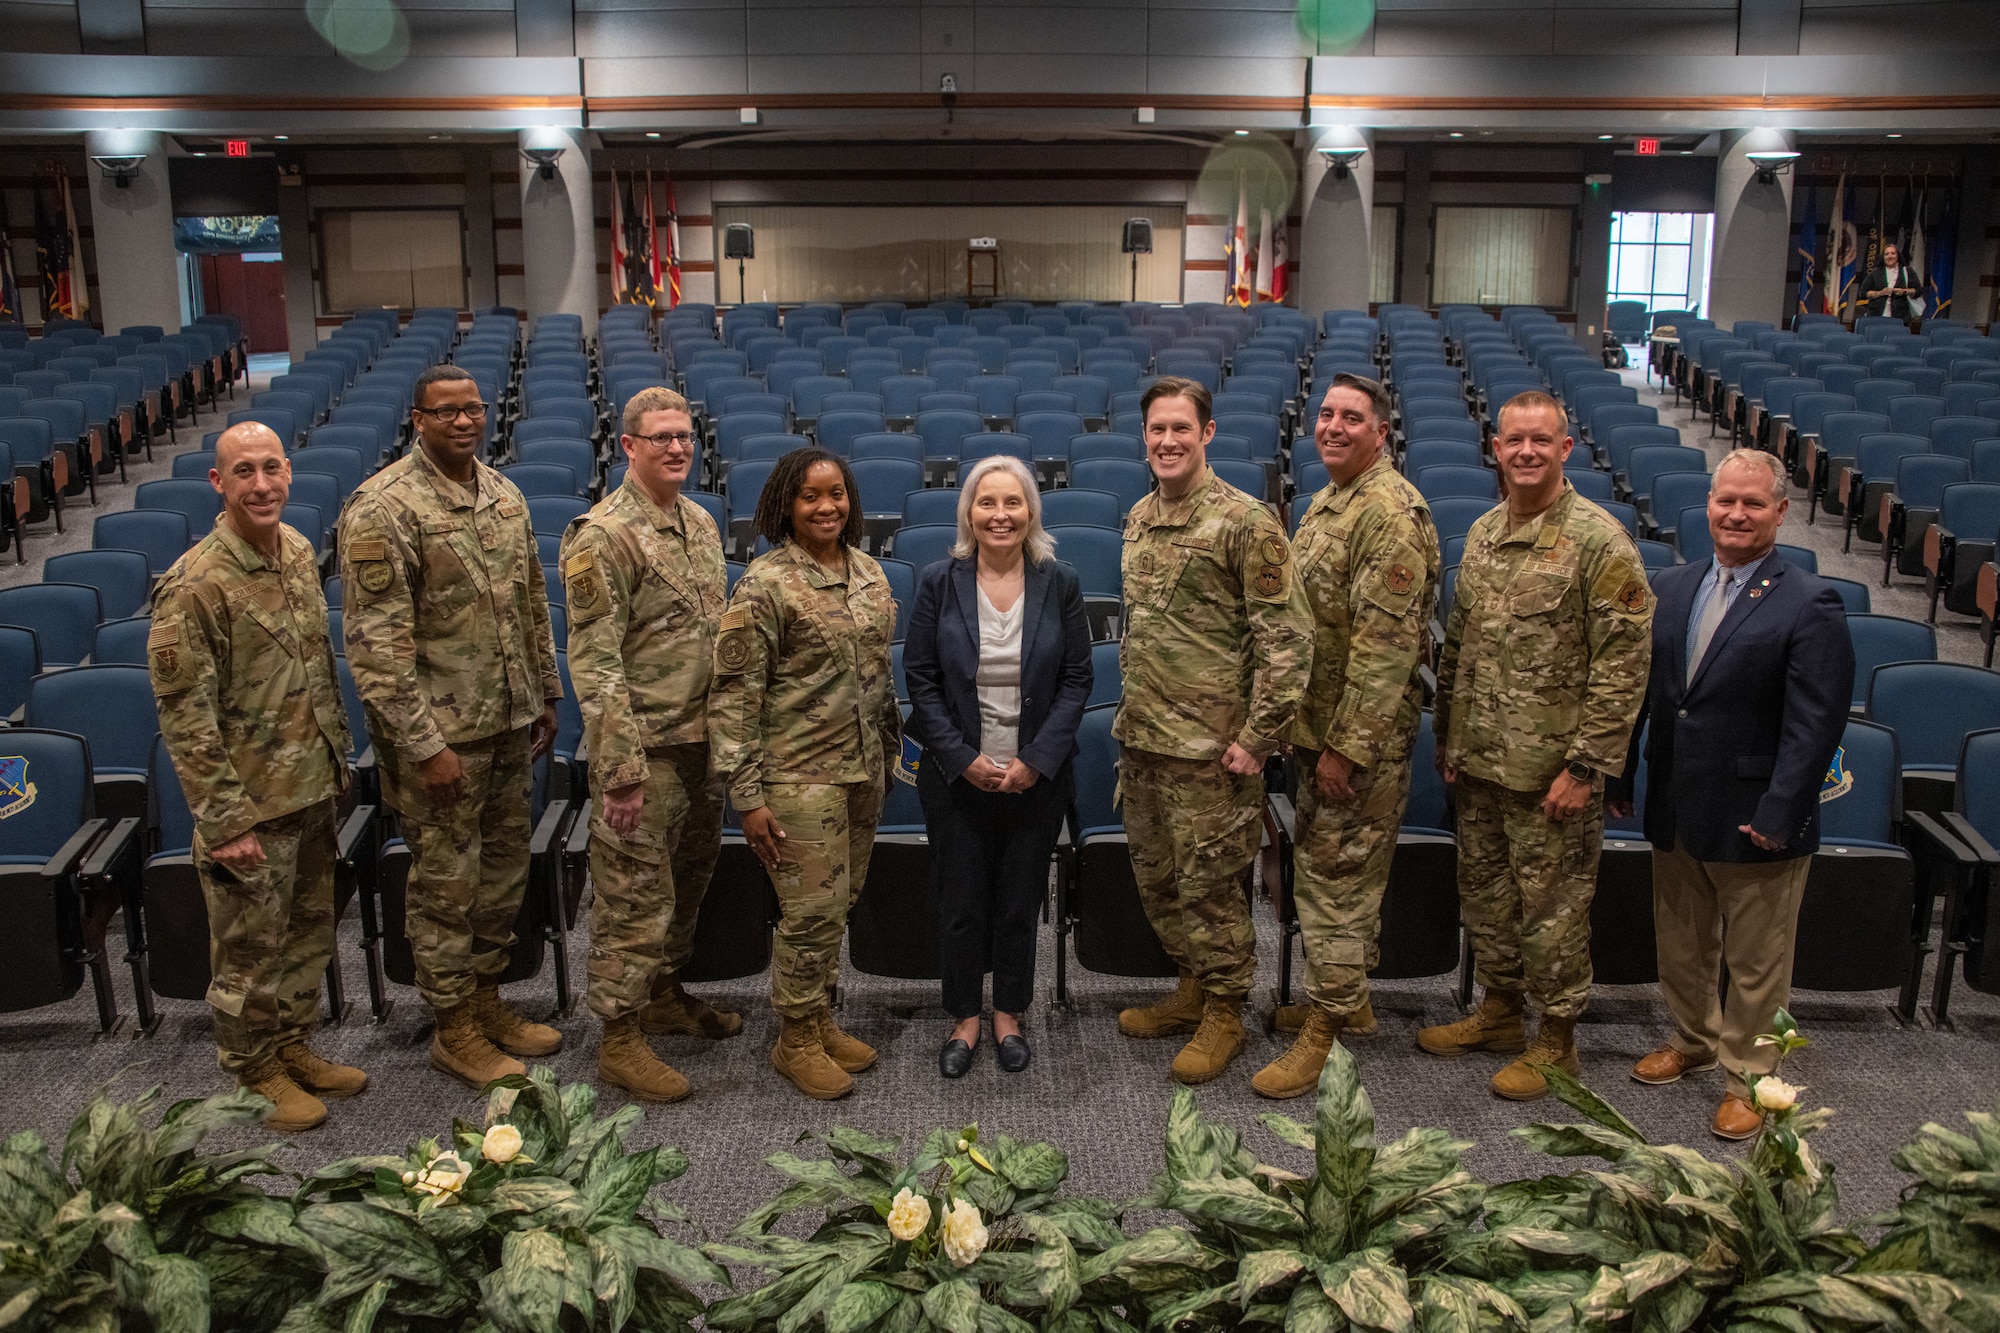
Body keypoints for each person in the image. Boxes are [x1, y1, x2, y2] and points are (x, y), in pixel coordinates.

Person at [1420, 390, 1653, 1101]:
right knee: (1487, 900)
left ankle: (1557, 1040)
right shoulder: (1487, 533)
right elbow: (1458, 645)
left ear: (1564, 449)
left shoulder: (1599, 541)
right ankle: (1497, 1013)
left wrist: (1587, 767)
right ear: (1496, 448)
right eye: (1513, 440)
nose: (1525, 451)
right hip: (1482, 764)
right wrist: (1448, 734)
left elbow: (1624, 665)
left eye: (1539, 441)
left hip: (1552, 774)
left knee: (1552, 911)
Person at [339, 363, 564, 1091]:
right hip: (441, 737)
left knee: (501, 875)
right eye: (446, 412)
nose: (464, 421)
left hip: (506, 721)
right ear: (419, 420)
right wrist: (424, 744)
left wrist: (546, 694)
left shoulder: (503, 493)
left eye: (473, 409)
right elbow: (376, 648)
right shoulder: (384, 507)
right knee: (445, 885)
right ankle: (453, 1027)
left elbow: (532, 602)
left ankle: (487, 999)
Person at [1618, 449, 1851, 1140]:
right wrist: (1620, 774)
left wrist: (1782, 810)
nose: (1737, 514)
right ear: (1709, 504)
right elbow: (1649, 696)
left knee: (1756, 963)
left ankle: (1750, 1076)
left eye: (1753, 503)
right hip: (1678, 803)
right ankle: (1692, 1039)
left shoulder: (1810, 600)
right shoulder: (1675, 584)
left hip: (1757, 815)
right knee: (1683, 943)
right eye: (1727, 500)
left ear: (1781, 511)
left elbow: (1815, 725)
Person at [150, 422, 360, 1131]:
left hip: (308, 786)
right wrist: (225, 819)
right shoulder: (195, 583)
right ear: (220, 483)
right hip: (249, 805)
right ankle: (250, 1068)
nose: (261, 484)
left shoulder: (297, 552)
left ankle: (291, 1044)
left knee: (304, 936)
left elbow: (313, 674)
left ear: (290, 473)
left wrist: (336, 763)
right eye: (244, 471)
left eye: (272, 468)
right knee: (248, 950)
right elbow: (186, 718)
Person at [1113, 376, 1312, 1085]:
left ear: (1208, 433)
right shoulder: (1138, 515)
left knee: (1213, 888)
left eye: (1180, 428)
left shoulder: (1245, 521)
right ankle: (1193, 988)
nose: (1168, 441)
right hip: (1144, 741)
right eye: (1156, 429)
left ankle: (1225, 1009)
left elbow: (1287, 637)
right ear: (1144, 437)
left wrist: (1259, 736)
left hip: (1214, 752)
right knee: (1160, 881)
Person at [1254, 374, 1439, 1099]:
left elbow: (1387, 645)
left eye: (1350, 417)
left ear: (1380, 431)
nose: (1332, 426)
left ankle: (1324, 1034)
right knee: (1332, 874)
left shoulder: (1389, 512)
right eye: (1326, 414)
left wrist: (1346, 747)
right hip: (1318, 727)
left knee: (1335, 887)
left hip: (1354, 744)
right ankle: (1345, 1000)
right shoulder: (1331, 501)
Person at [708, 448, 901, 1100]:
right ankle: (794, 1038)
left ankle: (819, 1017)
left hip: (861, 770)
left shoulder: (869, 572)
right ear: (786, 504)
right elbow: (736, 695)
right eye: (812, 496)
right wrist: (748, 795)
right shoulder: (765, 584)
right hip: (797, 777)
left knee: (839, 904)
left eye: (837, 494)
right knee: (809, 912)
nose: (827, 506)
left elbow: (878, 675)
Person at [561, 386, 734, 1104]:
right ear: (628, 445)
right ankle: (619, 1037)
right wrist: (621, 770)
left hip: (701, 745)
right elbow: (595, 662)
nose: (676, 447)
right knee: (633, 898)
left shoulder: (698, 522)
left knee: (685, 883)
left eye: (685, 435)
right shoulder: (602, 535)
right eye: (660, 436)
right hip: (646, 752)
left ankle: (664, 993)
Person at [904, 455, 1093, 1078]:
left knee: (1017, 899)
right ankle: (963, 1016)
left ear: (1031, 512)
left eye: (1012, 503)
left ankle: (1009, 1012)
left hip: (1035, 776)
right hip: (959, 775)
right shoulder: (938, 580)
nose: (1000, 515)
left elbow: (1076, 679)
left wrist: (1036, 761)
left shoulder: (1059, 581)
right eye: (987, 503)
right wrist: (962, 759)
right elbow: (922, 680)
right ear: (969, 513)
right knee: (960, 901)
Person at [1863, 242, 1924, 320]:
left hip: (1901, 316)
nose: (1890, 256)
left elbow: (1918, 290)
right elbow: (1863, 293)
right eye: (1887, 254)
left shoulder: (1907, 271)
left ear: (1897, 256)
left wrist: (1904, 291)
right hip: (1877, 315)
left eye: (1893, 253)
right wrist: (1880, 293)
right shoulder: (1875, 272)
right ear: (1883, 257)